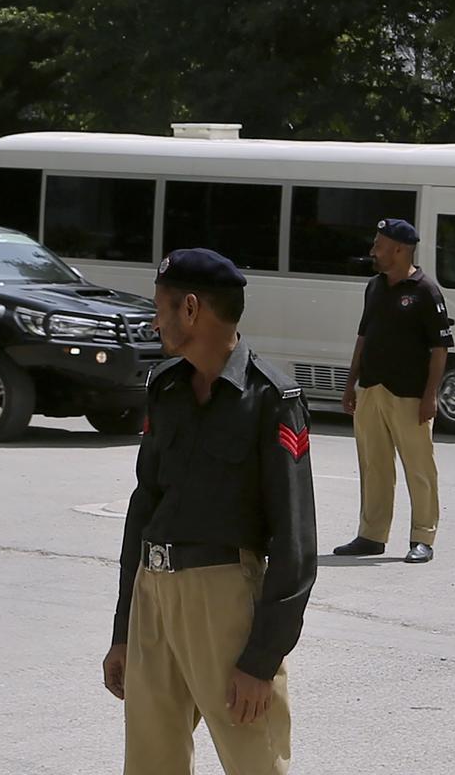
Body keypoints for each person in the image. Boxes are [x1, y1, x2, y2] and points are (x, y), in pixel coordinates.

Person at [102, 248, 317, 775]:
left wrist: (260, 661)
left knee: (255, 764)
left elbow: (295, 543)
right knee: (151, 765)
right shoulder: (166, 386)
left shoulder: (271, 399)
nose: (155, 321)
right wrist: (124, 630)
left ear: (192, 310)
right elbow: (143, 507)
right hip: (154, 597)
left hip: (224, 603)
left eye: (161, 308)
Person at [334, 218, 453, 564]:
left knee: (419, 468)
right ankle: (371, 535)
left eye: (379, 245)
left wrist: (431, 396)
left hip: (409, 394)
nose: (373, 251)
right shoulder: (374, 286)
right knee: (373, 466)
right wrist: (350, 383)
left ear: (399, 250)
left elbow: (440, 349)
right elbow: (363, 337)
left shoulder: (426, 291)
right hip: (372, 388)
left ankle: (423, 537)